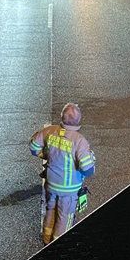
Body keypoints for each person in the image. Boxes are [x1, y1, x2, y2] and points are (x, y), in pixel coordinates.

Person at [30, 103, 96, 244]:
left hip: (51, 184)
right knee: (64, 217)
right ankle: (58, 244)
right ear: (79, 120)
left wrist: (45, 155)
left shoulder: (49, 131)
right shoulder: (79, 141)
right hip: (69, 191)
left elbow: (33, 147)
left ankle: (46, 238)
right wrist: (91, 160)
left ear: (62, 117)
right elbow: (87, 169)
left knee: (50, 210)